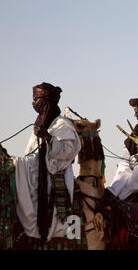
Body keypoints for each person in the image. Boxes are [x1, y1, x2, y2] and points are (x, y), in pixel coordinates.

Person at [14, 83, 81, 242]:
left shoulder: (62, 124)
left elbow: (68, 152)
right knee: (14, 164)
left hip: (55, 172)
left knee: (17, 165)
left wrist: (48, 138)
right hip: (36, 168)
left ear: (46, 101)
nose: (33, 103)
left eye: (36, 99)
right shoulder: (39, 125)